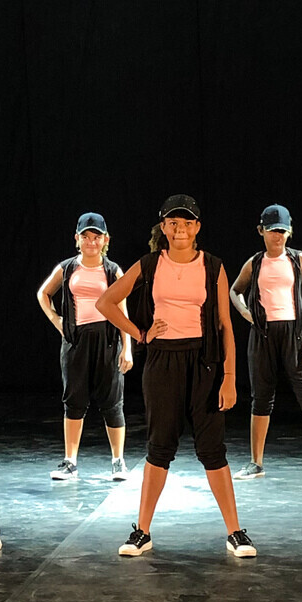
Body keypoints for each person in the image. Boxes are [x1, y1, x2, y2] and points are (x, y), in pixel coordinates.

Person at [95, 195, 256, 558]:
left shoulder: (213, 266)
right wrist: (140, 334)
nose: (179, 229)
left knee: (212, 449)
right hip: (163, 362)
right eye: (173, 223)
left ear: (196, 227)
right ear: (164, 227)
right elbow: (105, 302)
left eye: (186, 223)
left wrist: (230, 376)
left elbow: (225, 325)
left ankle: (235, 532)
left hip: (204, 363)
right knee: (159, 447)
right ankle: (142, 531)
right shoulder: (150, 263)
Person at [229, 203, 302, 482]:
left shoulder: (298, 260)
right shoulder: (255, 263)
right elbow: (235, 290)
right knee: (261, 398)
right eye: (273, 230)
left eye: (282, 231)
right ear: (261, 231)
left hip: (295, 334)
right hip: (263, 335)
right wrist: (247, 314)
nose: (278, 236)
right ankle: (256, 463)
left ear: (289, 232)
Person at [35, 212, 133, 481]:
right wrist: (57, 320)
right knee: (74, 400)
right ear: (77, 239)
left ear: (106, 240)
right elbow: (43, 293)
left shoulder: (113, 271)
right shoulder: (67, 268)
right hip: (76, 341)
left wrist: (127, 347)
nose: (91, 242)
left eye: (96, 237)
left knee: (112, 402)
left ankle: (118, 461)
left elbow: (122, 310)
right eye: (86, 236)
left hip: (108, 341)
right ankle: (70, 462)